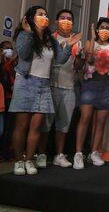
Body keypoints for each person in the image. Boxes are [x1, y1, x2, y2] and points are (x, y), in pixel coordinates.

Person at [10, 6, 81, 175]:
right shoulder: (24, 35)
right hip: (26, 82)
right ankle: (19, 160)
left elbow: (59, 60)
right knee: (21, 126)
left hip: (43, 85)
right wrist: (28, 33)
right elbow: (24, 54)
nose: (44, 17)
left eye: (46, 15)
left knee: (36, 127)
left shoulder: (50, 38)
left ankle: (29, 161)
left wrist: (69, 46)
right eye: (40, 14)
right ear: (31, 18)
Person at [36, 9, 82, 168]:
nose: (66, 21)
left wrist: (81, 59)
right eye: (62, 18)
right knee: (46, 124)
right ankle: (41, 154)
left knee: (64, 124)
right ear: (56, 22)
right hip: (51, 85)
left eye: (69, 19)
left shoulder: (77, 41)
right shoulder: (50, 38)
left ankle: (59, 155)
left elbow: (78, 65)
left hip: (69, 87)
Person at [73, 18, 109, 169]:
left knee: (100, 123)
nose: (105, 30)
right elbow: (88, 58)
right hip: (90, 84)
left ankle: (94, 152)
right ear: (97, 30)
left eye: (108, 28)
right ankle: (78, 154)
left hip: (106, 86)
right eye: (102, 27)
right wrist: (93, 39)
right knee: (85, 118)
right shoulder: (89, 42)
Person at [0, 40, 17, 160]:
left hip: (12, 99)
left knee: (10, 127)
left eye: (11, 48)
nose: (9, 50)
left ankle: (7, 152)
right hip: (4, 99)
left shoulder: (12, 66)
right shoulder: (3, 66)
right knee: (3, 128)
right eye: (7, 48)